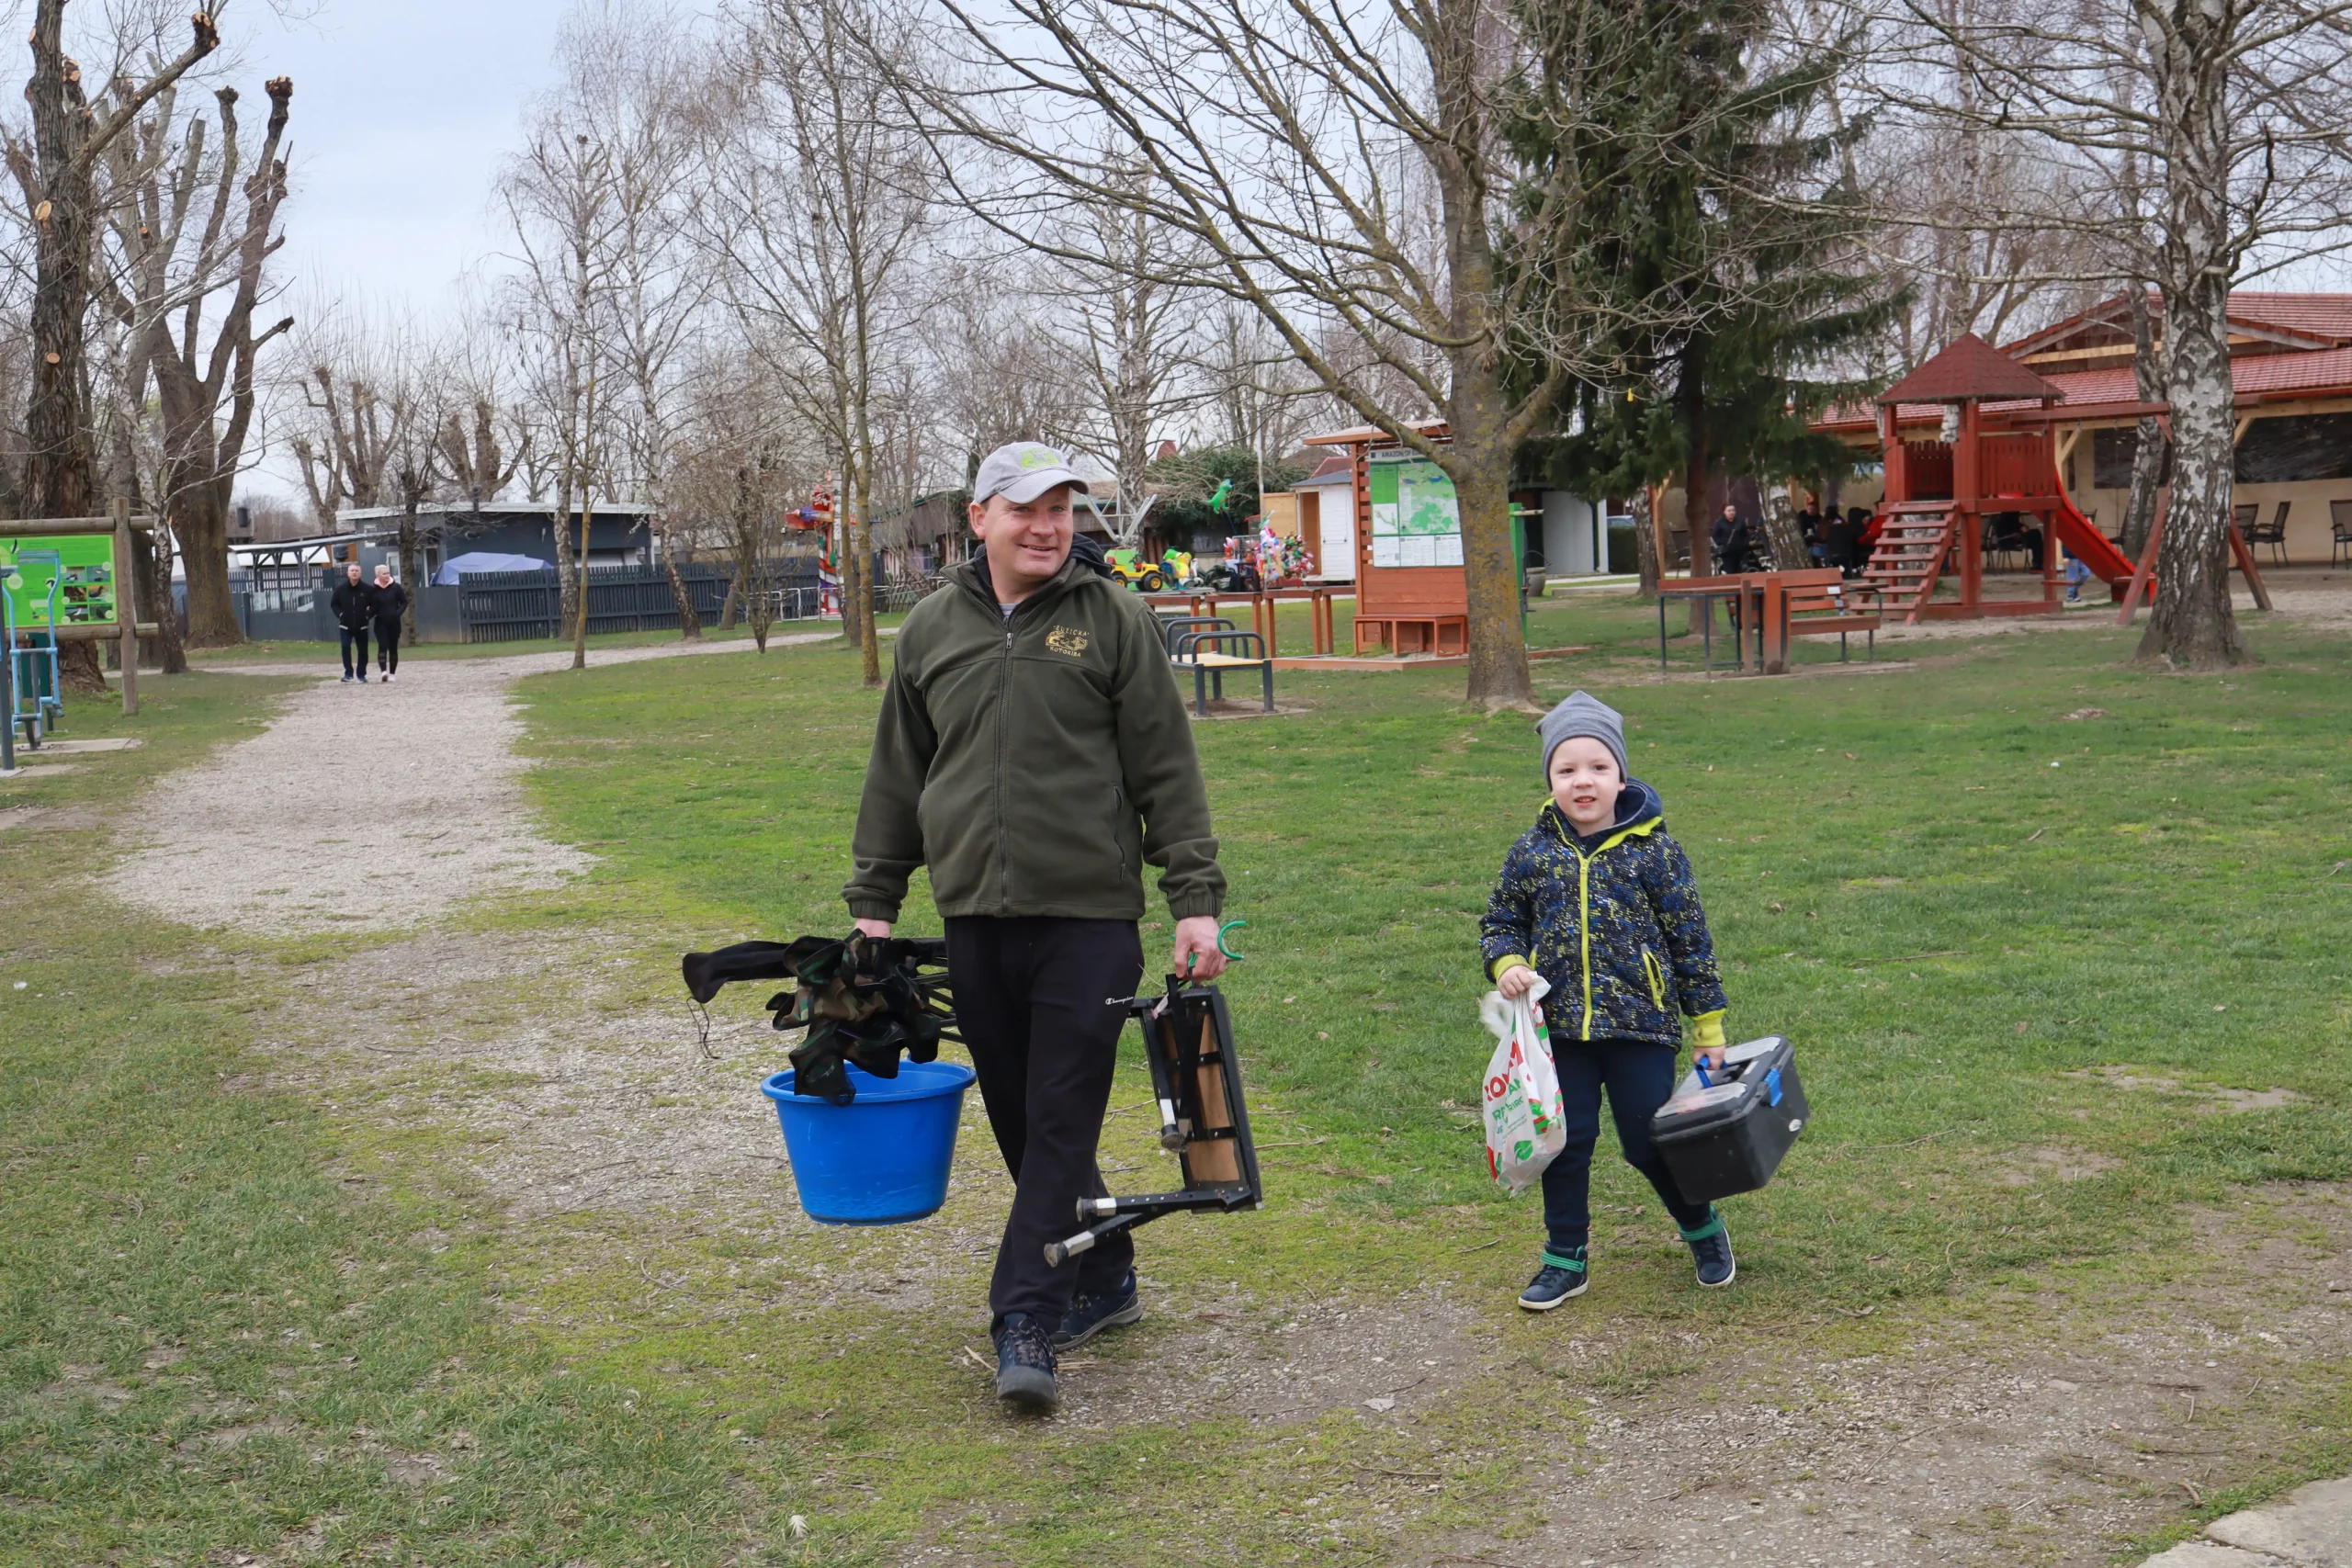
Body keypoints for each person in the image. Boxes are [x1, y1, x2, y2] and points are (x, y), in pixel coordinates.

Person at [844, 441, 1229, 1414]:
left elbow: (1165, 767)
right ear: (978, 519)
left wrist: (1194, 898)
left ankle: (1025, 1314)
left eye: (1062, 506)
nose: (1048, 523)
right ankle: (1106, 1272)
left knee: (1060, 1113)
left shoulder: (1114, 620)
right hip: (974, 913)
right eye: (1025, 508)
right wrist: (875, 903)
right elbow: (900, 772)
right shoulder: (931, 629)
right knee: (1019, 1116)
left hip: (1090, 916)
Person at [1479, 691, 1736, 1311]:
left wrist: (1708, 1028)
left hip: (1640, 1028)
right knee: (1562, 1141)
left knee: (1649, 1140)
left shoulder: (1658, 853)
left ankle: (1702, 1228)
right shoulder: (1533, 852)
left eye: (1597, 767)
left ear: (1621, 775)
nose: (1583, 781)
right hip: (1558, 1030)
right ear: (1550, 780)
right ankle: (1564, 1259)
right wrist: (1509, 962)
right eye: (1566, 770)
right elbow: (1500, 923)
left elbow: (1691, 942)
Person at [330, 561, 376, 684]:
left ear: (360, 574)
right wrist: (340, 614)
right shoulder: (340, 589)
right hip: (345, 625)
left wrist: (367, 616)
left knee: (363, 651)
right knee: (345, 647)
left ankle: (361, 675)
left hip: (362, 626)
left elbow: (375, 606)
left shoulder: (368, 589)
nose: (354, 572)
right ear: (348, 573)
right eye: (352, 571)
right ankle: (348, 673)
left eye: (357, 571)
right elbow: (334, 604)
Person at [369, 564, 409, 682]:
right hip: (380, 622)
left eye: (388, 573)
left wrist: (397, 613)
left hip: (394, 622)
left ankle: (392, 673)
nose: (387, 575)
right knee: (382, 645)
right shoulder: (373, 589)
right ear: (378, 575)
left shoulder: (396, 587)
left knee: (393, 647)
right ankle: (383, 672)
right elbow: (371, 606)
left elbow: (404, 602)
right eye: (384, 573)